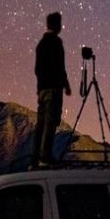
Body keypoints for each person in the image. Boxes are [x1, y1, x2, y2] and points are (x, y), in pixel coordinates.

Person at [31, 11, 71, 167]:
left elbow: (37, 69)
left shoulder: (41, 44)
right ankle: (45, 155)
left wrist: (40, 87)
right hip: (53, 89)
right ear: (57, 25)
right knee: (50, 121)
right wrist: (65, 85)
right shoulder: (56, 42)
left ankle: (35, 157)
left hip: (42, 90)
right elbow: (59, 66)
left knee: (41, 123)